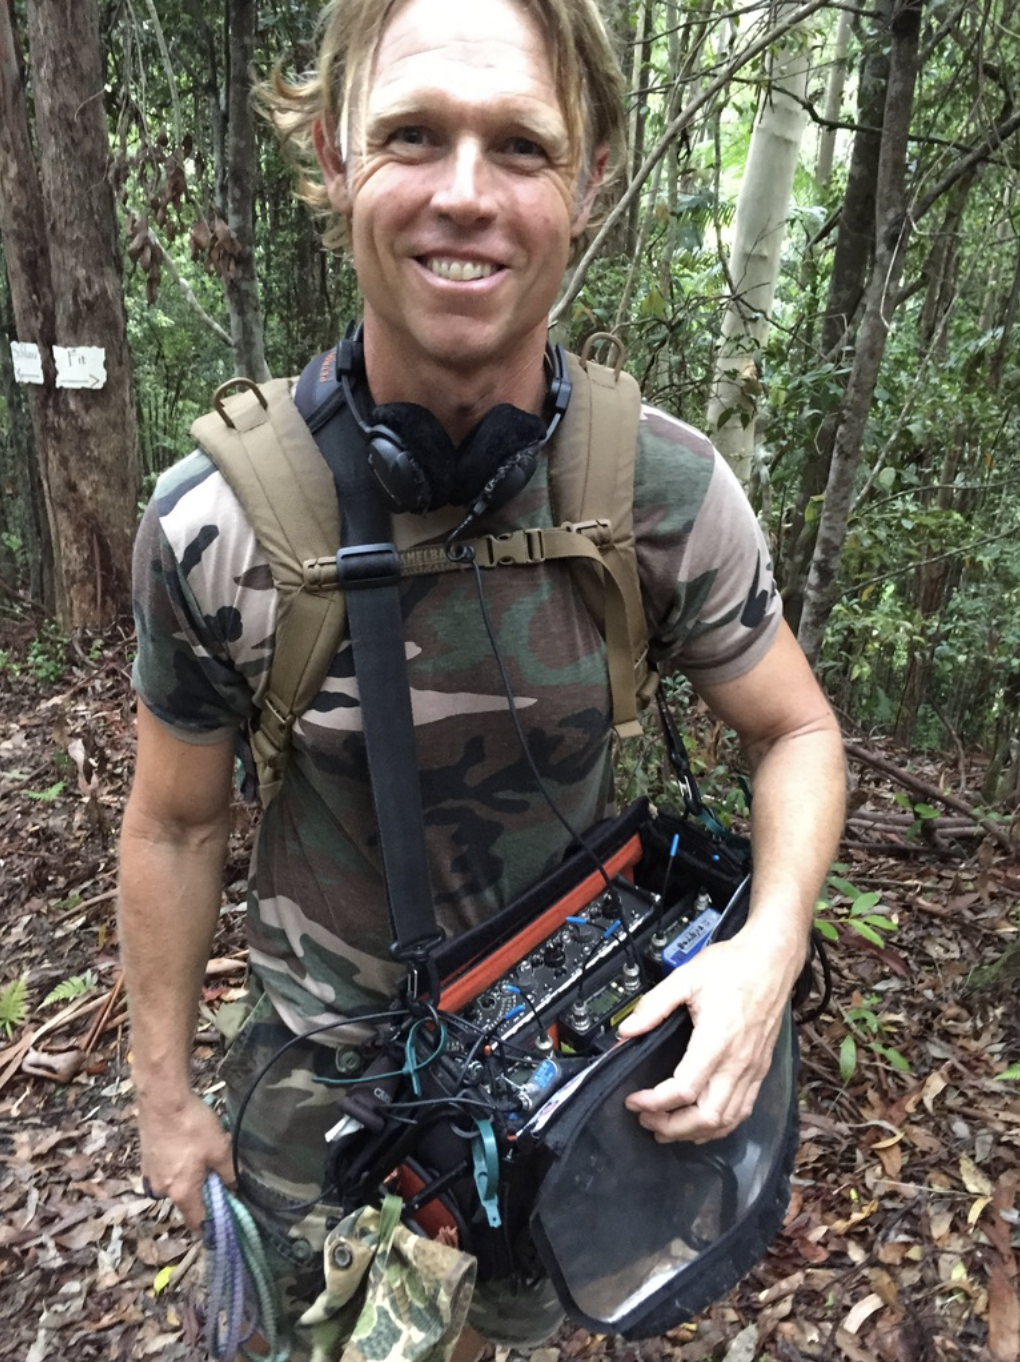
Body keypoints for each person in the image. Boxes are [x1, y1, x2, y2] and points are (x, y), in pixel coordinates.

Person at [118, 0, 846, 1356]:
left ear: (590, 177)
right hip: (312, 1119)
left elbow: (795, 727)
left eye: (520, 144)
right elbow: (170, 822)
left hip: (559, 1093)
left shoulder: (662, 491)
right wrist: (164, 1095)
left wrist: (767, 945)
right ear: (337, 159)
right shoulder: (217, 525)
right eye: (411, 135)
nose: (465, 195)